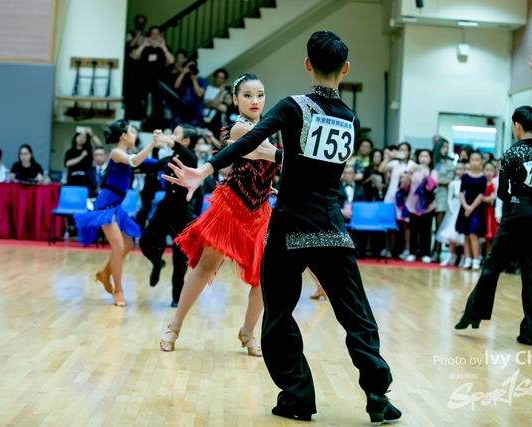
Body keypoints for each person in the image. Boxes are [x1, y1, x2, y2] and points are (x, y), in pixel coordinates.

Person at [160, 31, 400, 424]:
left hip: (289, 227)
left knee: (278, 315)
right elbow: (316, 166)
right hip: (333, 229)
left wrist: (204, 169)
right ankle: (378, 396)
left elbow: (251, 140)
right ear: (345, 69)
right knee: (357, 316)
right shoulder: (351, 120)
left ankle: (297, 397)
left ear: (307, 65)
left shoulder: (293, 106)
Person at [158, 74, 279, 357]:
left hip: (260, 211)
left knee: (264, 275)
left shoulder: (268, 128)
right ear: (235, 100)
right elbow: (266, 154)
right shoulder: (240, 127)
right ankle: (174, 326)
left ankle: (248, 333)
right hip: (231, 207)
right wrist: (297, 156)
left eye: (260, 95)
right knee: (205, 266)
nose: (255, 100)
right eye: (247, 95)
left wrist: (266, 184)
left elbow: (264, 163)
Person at [455, 55, 532, 346]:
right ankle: (530, 333)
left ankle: (474, 314)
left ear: (517, 126)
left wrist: (511, 205)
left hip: (516, 213)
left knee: (492, 265)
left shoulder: (511, 153)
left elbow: (502, 193)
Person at [74, 120, 157, 307]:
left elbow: (144, 162)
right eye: (132, 132)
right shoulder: (116, 153)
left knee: (127, 244)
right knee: (118, 247)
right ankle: (118, 291)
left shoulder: (125, 154)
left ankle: (105, 274)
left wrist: (166, 162)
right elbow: (136, 161)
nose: (134, 135)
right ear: (123, 136)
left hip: (115, 205)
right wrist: (153, 143)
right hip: (105, 206)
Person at [139, 124, 198, 308]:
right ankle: (157, 263)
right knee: (145, 241)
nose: (172, 136)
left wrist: (164, 139)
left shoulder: (191, 159)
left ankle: (176, 297)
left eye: (175, 134)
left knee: (180, 257)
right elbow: (148, 166)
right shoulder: (169, 158)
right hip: (165, 207)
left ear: (186, 141)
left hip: (182, 210)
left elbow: (185, 153)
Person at [129, 26, 174, 128]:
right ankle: (140, 121)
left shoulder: (164, 48)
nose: (155, 36)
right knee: (138, 100)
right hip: (144, 78)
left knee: (157, 103)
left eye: (157, 34)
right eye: (152, 34)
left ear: (160, 35)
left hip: (159, 79)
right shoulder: (145, 47)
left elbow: (171, 61)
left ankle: (156, 125)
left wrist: (163, 47)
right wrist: (144, 44)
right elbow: (135, 56)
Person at [379, 142, 416, 258]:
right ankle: (388, 249)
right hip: (391, 197)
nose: (403, 152)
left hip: (405, 199)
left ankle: (407, 250)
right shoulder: (394, 163)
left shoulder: (412, 164)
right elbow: (381, 169)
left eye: (405, 150)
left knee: (406, 225)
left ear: (409, 152)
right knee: (390, 224)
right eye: (400, 149)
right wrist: (389, 157)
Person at [402, 149, 438, 263]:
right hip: (412, 205)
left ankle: (425, 253)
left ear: (430, 159)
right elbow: (403, 185)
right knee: (413, 230)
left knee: (426, 231)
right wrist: (409, 173)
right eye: (421, 156)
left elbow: (431, 187)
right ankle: (412, 252)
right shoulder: (412, 170)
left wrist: (425, 176)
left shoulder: (433, 171)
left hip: (427, 206)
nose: (423, 158)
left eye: (426, 156)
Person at [455, 151, 486, 270]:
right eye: (472, 160)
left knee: (473, 234)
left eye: (477, 160)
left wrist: (471, 207)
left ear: (481, 162)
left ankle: (475, 259)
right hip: (465, 207)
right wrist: (465, 206)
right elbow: (461, 192)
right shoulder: (465, 176)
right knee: (466, 234)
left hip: (476, 209)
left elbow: (481, 194)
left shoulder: (483, 178)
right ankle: (467, 259)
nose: (474, 162)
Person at [438, 161, 467, 266]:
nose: (459, 171)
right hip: (454, 209)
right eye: (458, 169)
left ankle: (464, 257)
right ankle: (450, 256)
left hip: (464, 209)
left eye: (462, 169)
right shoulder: (453, 183)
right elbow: (449, 198)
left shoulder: (467, 182)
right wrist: (451, 209)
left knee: (463, 235)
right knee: (452, 233)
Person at [431, 138, 455, 261]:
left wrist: (434, 181)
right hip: (428, 196)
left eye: (447, 147)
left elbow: (449, 179)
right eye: (443, 147)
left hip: (442, 195)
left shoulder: (449, 163)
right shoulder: (432, 161)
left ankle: (437, 250)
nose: (445, 149)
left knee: (439, 225)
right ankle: (423, 250)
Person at [173, 59, 207, 127]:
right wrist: (183, 73)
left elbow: (199, 93)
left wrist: (194, 80)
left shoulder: (202, 80)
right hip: (181, 111)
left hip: (195, 112)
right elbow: (176, 86)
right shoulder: (184, 79)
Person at [482, 161, 499, 256]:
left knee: (488, 237)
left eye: (491, 170)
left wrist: (481, 198)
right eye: (487, 170)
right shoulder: (480, 183)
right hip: (479, 210)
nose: (489, 172)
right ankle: (477, 257)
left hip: (488, 211)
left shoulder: (493, 185)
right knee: (478, 236)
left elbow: (492, 198)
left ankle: (487, 257)